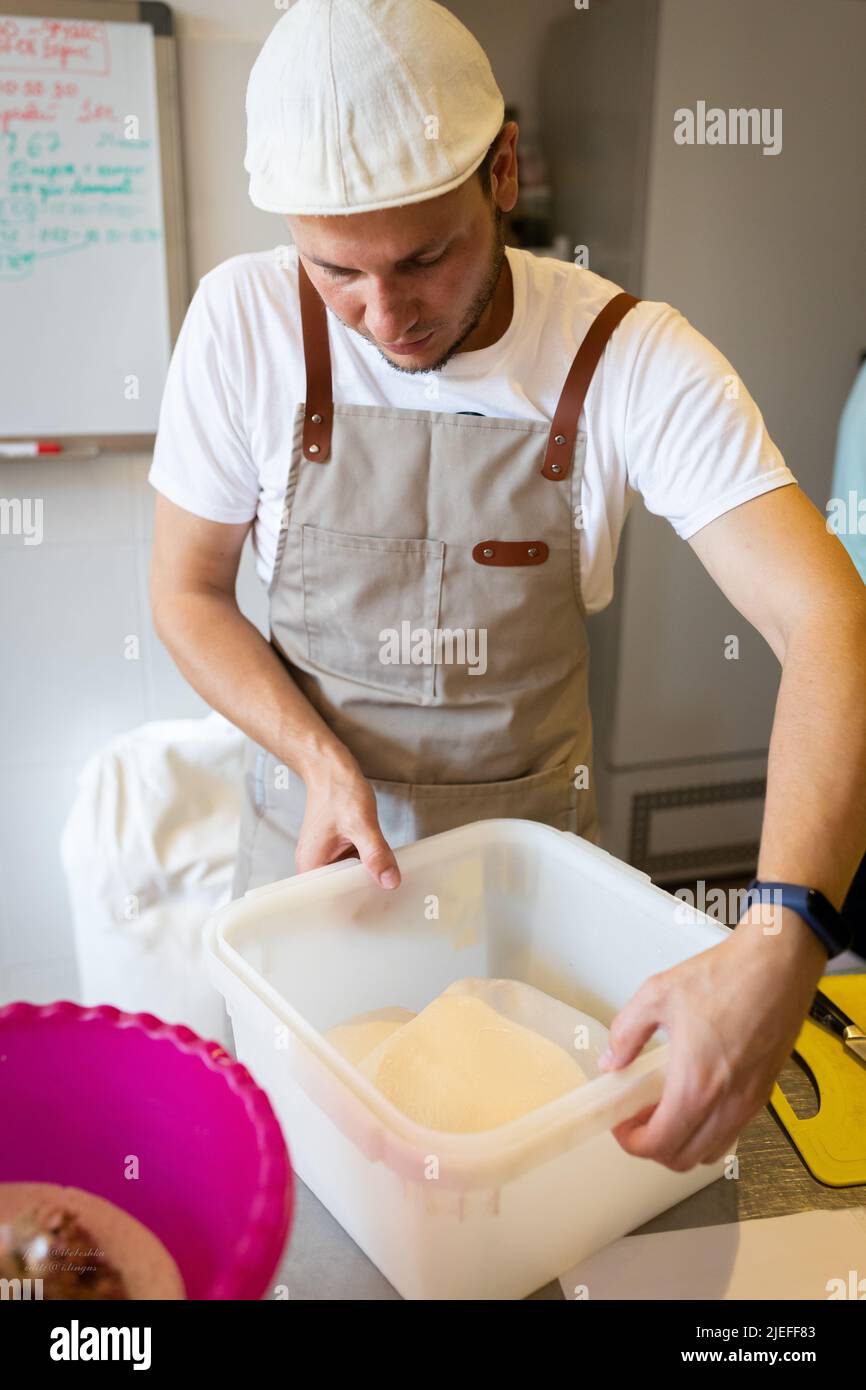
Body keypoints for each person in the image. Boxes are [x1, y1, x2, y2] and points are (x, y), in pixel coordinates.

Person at [148, 0, 866, 1174]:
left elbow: (829, 617)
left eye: (422, 258)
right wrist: (321, 759)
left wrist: (784, 936)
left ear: (503, 171)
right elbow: (186, 592)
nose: (385, 317)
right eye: (336, 270)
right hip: (308, 896)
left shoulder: (629, 357)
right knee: (305, 1207)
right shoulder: (241, 322)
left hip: (524, 920)